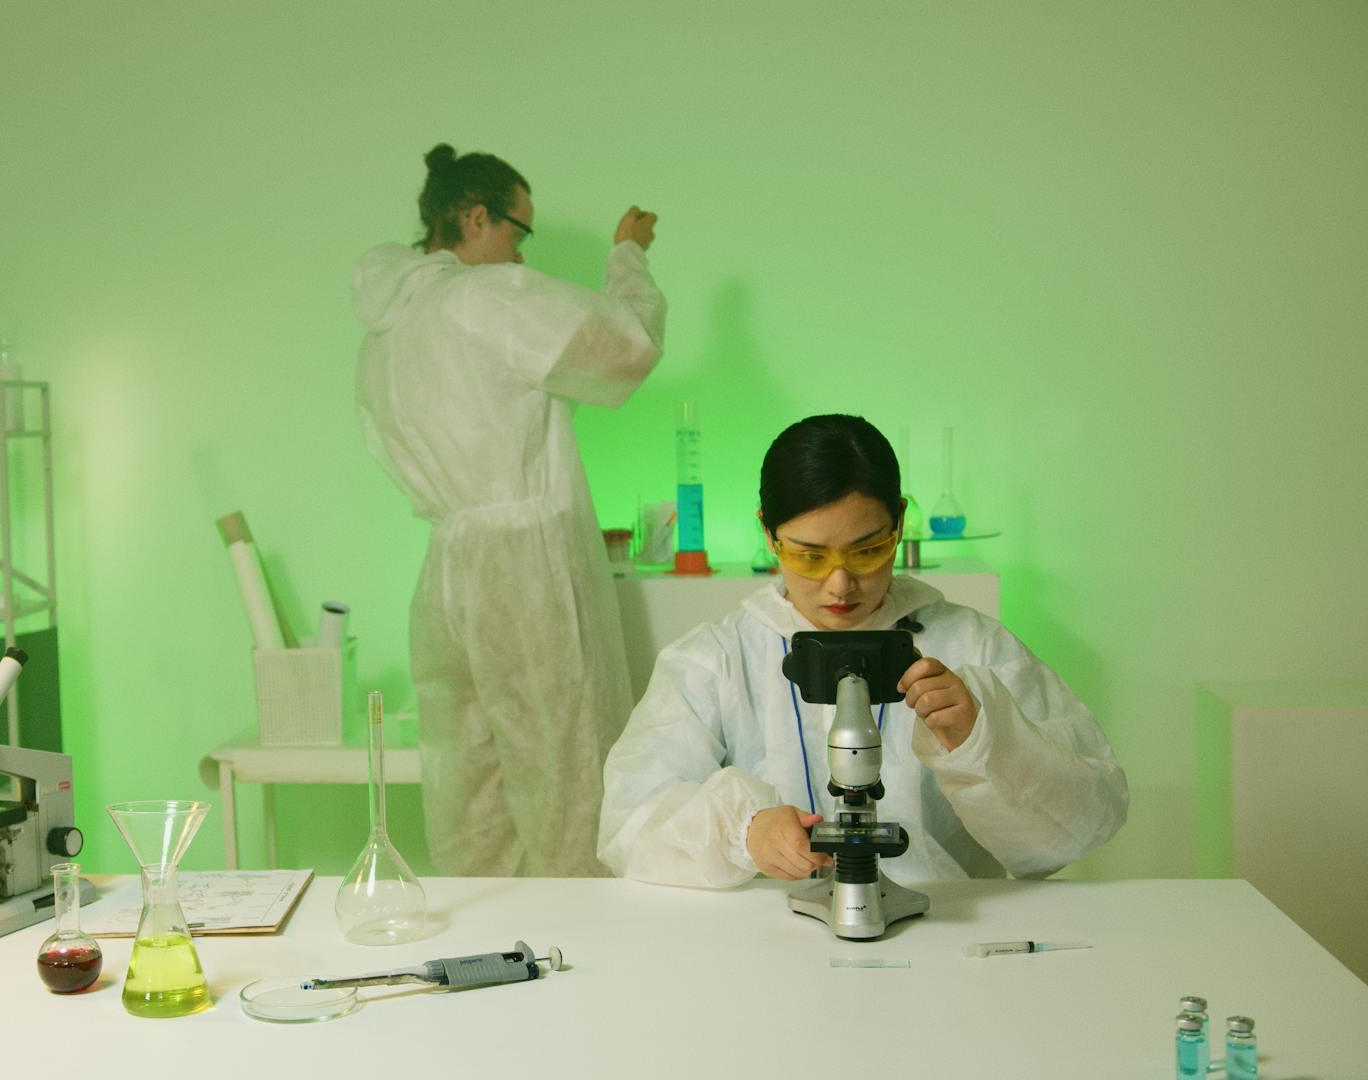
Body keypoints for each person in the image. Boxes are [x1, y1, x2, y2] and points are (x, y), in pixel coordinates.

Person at [598, 414, 1127, 885]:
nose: (840, 585)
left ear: (899, 522)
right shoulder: (715, 659)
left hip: (944, 932)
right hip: (768, 944)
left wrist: (982, 738)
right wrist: (744, 832)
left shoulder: (971, 646)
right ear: (768, 532)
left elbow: (1075, 831)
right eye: (809, 556)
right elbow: (630, 822)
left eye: (868, 550)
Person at [354, 143, 665, 875]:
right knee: (567, 768)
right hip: (525, 560)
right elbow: (627, 347)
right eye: (518, 233)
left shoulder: (384, 333)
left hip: (448, 569)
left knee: (469, 787)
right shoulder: (483, 297)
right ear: (474, 216)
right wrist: (627, 255)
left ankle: (488, 960)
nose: (521, 256)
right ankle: (581, 960)